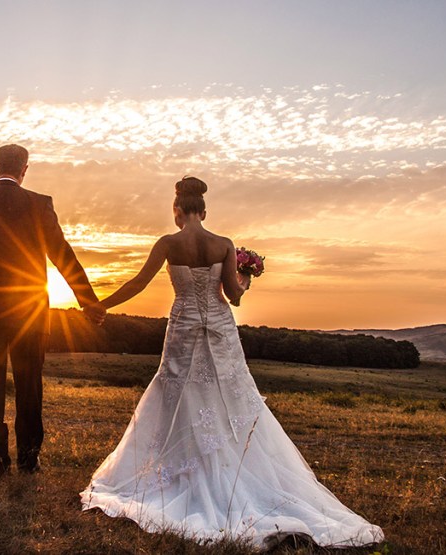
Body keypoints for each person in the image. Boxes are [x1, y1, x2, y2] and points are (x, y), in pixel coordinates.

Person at [80, 177, 384, 548]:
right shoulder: (222, 244)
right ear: (203, 211)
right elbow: (234, 298)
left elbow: (139, 283)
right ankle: (231, 468)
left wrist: (100, 305)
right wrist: (244, 280)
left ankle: (180, 471)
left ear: (177, 211)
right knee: (230, 397)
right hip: (221, 330)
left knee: (178, 394)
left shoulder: (168, 243)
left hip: (184, 328)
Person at [0, 144, 106, 478]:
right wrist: (87, 300)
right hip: (31, 311)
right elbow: (62, 254)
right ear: (25, 169)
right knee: (30, 387)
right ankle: (28, 457)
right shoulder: (39, 204)